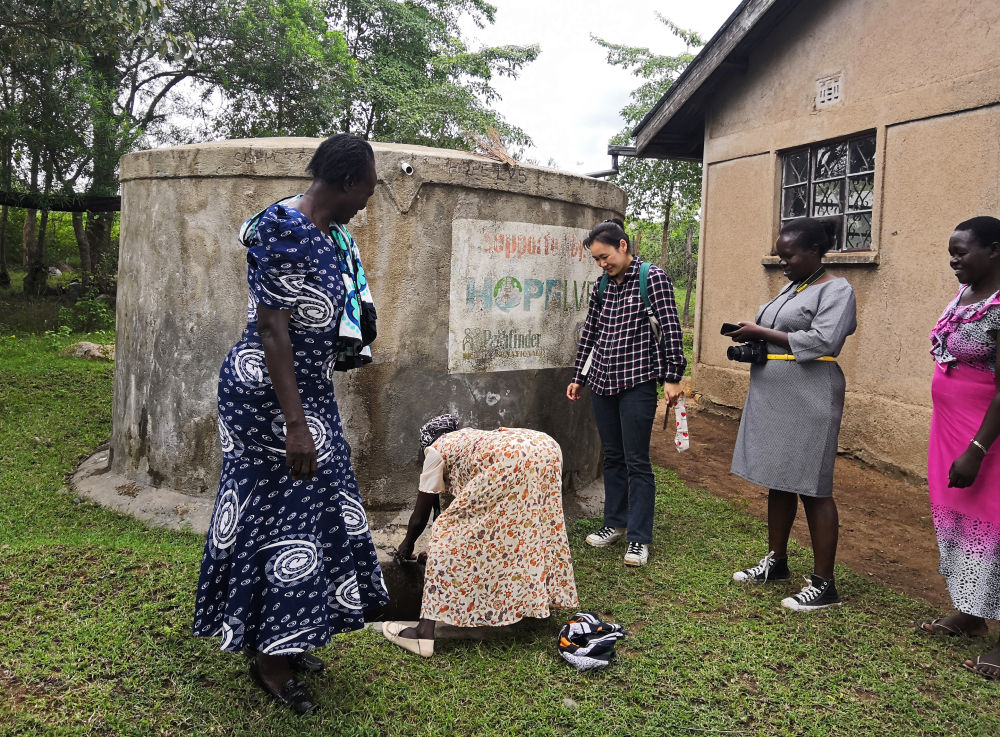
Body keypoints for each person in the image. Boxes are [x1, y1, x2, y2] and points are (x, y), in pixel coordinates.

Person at [192, 134, 388, 714]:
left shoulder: (331, 236)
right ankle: (269, 661)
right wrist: (294, 425)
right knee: (279, 517)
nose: (369, 202)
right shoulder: (281, 229)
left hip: (308, 393)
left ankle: (288, 637)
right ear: (348, 182)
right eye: (369, 190)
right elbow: (274, 331)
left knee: (317, 509)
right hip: (267, 402)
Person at [727, 217, 857, 611]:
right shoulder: (794, 286)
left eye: (789, 255)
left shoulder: (838, 289)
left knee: (814, 487)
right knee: (779, 478)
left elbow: (824, 340)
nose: (782, 261)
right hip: (776, 391)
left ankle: (824, 584)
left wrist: (762, 333)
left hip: (810, 393)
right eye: (779, 255)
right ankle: (776, 563)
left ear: (816, 252)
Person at [381, 415, 579, 657]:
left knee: (446, 532)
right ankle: (533, 603)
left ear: (426, 443)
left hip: (514, 456)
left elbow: (420, 517)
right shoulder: (469, 440)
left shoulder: (435, 451)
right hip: (545, 448)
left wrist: (406, 545)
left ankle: (423, 634)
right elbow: (482, 537)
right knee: (521, 530)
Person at [566, 219, 686, 567]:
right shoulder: (602, 286)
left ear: (622, 245)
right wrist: (579, 376)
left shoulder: (653, 278)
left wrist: (673, 376)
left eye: (605, 257)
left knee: (637, 461)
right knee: (613, 458)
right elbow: (590, 331)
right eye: (596, 260)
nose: (602, 264)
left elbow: (670, 328)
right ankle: (614, 524)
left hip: (638, 382)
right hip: (602, 382)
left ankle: (638, 538)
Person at [918, 216, 1000, 681]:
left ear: (993, 250)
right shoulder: (967, 295)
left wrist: (977, 448)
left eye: (961, 252)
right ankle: (970, 612)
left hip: (985, 436)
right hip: (950, 428)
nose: (954, 260)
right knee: (959, 521)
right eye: (951, 251)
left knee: (995, 527)